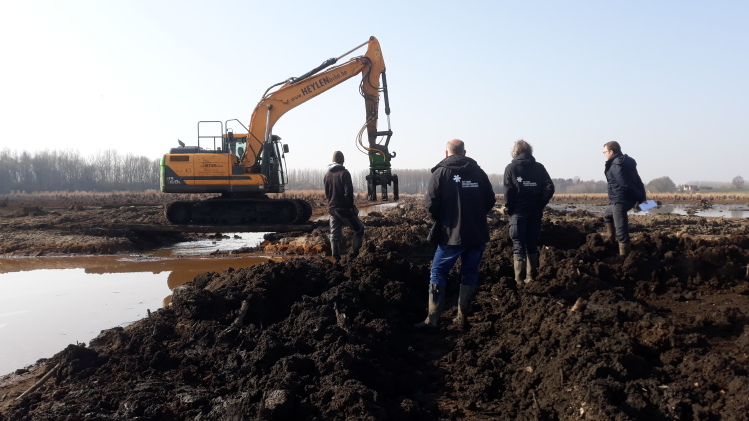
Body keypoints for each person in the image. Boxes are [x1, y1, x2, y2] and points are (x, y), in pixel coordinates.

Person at [416, 139, 496, 330]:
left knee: (438, 272)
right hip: (476, 234)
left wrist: (443, 221)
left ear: (447, 153)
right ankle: (462, 318)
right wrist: (476, 216)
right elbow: (490, 200)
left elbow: (431, 204)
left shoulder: (441, 173)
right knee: (470, 273)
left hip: (451, 234)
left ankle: (432, 320)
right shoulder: (479, 173)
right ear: (464, 152)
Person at [503, 140, 555, 286]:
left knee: (518, 243)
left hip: (518, 212)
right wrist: (540, 203)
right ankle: (531, 277)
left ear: (515, 152)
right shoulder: (539, 167)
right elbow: (549, 187)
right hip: (535, 212)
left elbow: (508, 191)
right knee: (532, 242)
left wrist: (509, 208)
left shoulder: (511, 168)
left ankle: (519, 280)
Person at [602, 141, 646, 256]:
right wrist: (642, 198)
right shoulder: (627, 162)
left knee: (622, 232)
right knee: (608, 214)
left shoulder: (615, 165)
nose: (604, 154)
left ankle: (625, 258)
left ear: (611, 152)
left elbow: (624, 184)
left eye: (605, 152)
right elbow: (639, 182)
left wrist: (639, 197)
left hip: (620, 201)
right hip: (622, 200)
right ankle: (611, 242)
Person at [324, 151, 364, 263]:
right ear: (342, 161)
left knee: (334, 235)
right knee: (359, 229)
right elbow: (348, 192)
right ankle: (355, 256)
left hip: (332, 208)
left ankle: (336, 260)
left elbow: (327, 193)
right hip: (344, 209)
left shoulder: (327, 174)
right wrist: (350, 206)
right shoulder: (344, 173)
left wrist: (331, 204)